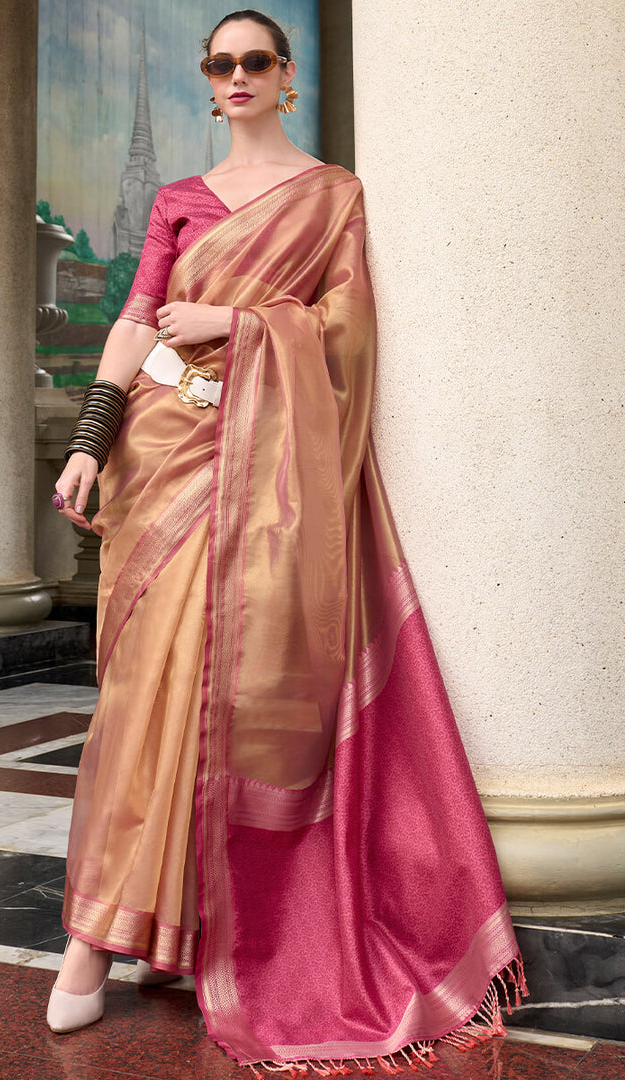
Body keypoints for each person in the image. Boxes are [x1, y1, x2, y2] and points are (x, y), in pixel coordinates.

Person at [46, 9, 526, 1074]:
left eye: (255, 59)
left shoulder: (332, 196)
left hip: (273, 478)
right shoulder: (178, 199)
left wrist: (242, 325)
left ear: (286, 74)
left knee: (234, 694)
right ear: (207, 82)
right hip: (164, 459)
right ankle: (107, 932)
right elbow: (135, 319)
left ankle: (135, 937)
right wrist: (90, 441)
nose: (238, 76)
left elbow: (349, 331)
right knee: (146, 694)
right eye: (220, 64)